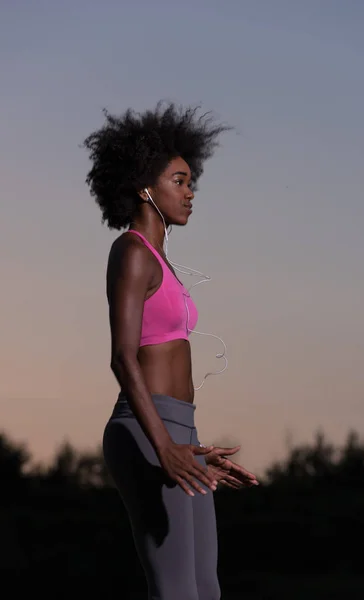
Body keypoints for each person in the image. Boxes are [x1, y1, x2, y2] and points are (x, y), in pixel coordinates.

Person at [82, 102, 258, 600]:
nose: (190, 192)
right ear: (144, 188)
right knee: (178, 590)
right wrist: (164, 446)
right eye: (178, 181)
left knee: (206, 588)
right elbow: (122, 356)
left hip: (181, 431)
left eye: (190, 181)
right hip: (145, 430)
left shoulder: (164, 262)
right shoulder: (132, 251)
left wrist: (194, 454)